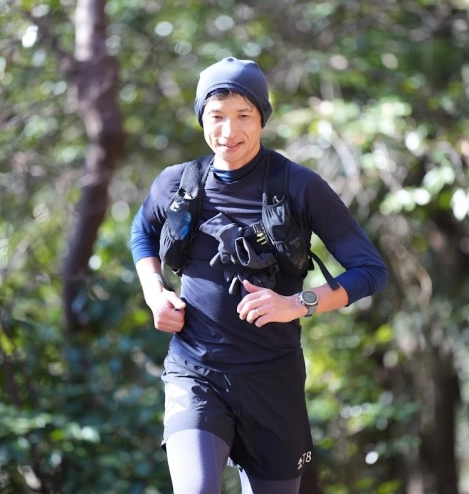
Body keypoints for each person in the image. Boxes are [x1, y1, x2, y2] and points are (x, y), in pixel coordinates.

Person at [130, 57, 388, 494]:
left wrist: (297, 304)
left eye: (243, 116)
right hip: (196, 372)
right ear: (201, 118)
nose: (228, 131)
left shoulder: (300, 186)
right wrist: (155, 292)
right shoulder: (177, 184)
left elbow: (371, 271)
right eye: (216, 116)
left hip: (273, 381)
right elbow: (142, 232)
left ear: (262, 118)